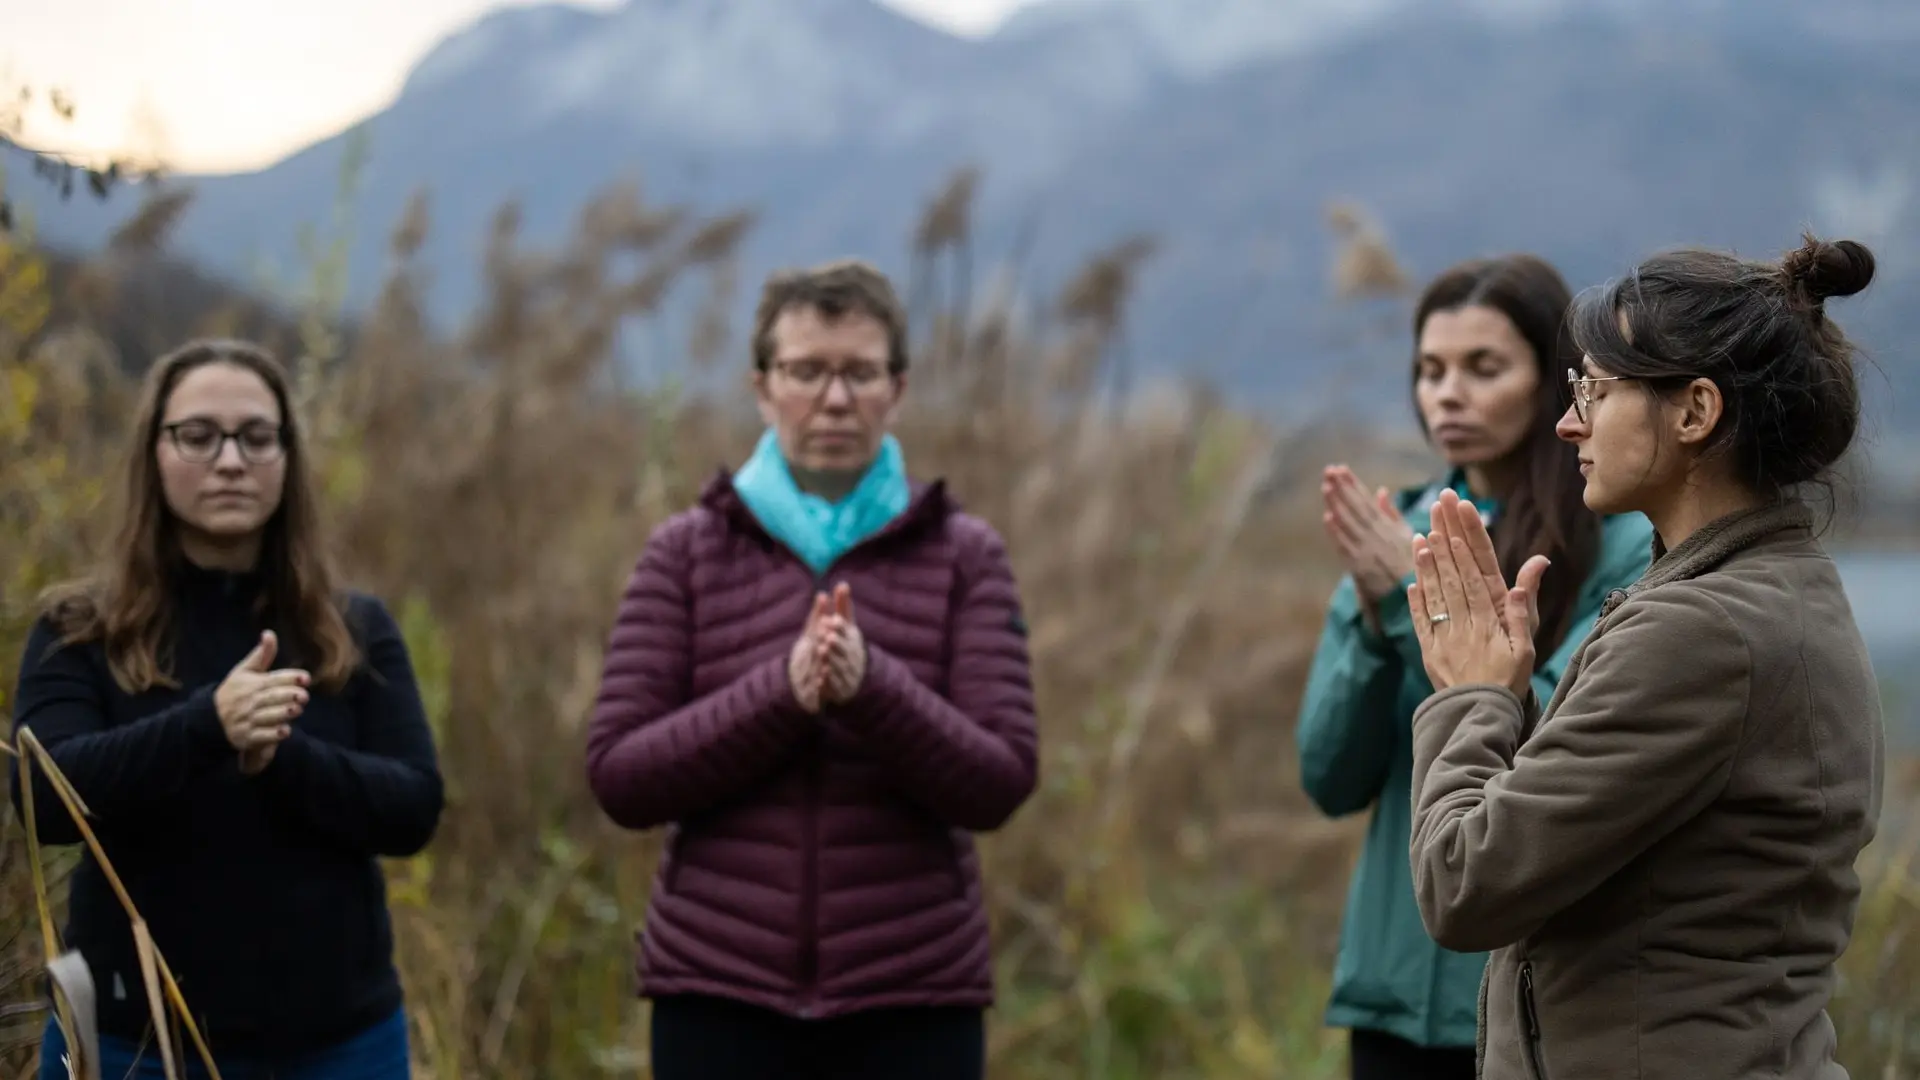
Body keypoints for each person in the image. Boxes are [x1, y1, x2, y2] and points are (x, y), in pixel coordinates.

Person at [1404, 234, 1886, 1080]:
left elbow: (1465, 882)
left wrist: (1473, 696)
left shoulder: (1702, 632)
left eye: (1593, 387)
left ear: (1695, 412)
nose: (1567, 421)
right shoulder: (1772, 589)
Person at [584, 259, 1039, 1080]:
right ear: (762, 387)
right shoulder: (684, 553)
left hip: (914, 998)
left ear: (897, 388)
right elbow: (620, 776)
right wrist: (782, 695)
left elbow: (1001, 779)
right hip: (718, 995)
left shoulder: (966, 555)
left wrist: (874, 688)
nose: (834, 399)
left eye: (860, 373)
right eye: (806, 372)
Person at [10, 339, 444, 1080]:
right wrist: (206, 727)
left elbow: (413, 808)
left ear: (287, 456)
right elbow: (45, 797)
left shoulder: (353, 629)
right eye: (199, 435)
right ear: (154, 452)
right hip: (128, 1045)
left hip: (337, 1047)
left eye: (257, 436)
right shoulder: (79, 627)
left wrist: (282, 757)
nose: (232, 460)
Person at [1293, 253, 1655, 1080]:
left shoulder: (1623, 540)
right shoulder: (1399, 529)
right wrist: (1375, 612)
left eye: (1482, 367)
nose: (1446, 392)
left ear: (1554, 382)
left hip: (1533, 1009)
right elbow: (1329, 777)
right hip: (1390, 995)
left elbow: (1556, 759)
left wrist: (1403, 603)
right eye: (1429, 370)